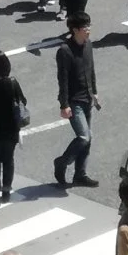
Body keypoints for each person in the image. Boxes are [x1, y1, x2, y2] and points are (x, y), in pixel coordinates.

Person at [52, 12, 99, 190]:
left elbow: (91, 69)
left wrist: (94, 91)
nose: (88, 30)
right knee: (84, 136)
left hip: (87, 97)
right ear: (75, 30)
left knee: (88, 137)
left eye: (88, 26)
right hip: (74, 100)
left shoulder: (88, 45)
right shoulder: (65, 51)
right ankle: (62, 162)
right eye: (85, 27)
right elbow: (62, 79)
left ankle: (80, 174)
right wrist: (64, 105)